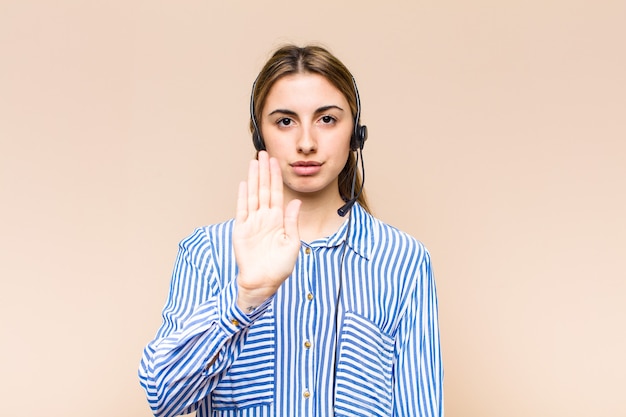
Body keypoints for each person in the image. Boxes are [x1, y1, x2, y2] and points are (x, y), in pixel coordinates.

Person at [138, 44, 443, 417]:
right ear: (259, 136)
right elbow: (163, 400)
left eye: (327, 119)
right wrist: (243, 298)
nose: (306, 142)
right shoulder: (205, 252)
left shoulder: (404, 260)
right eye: (285, 121)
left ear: (356, 134)